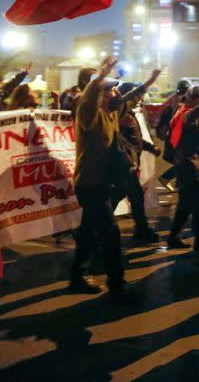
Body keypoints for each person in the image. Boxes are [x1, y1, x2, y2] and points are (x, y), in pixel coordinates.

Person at [69, 56, 160, 303]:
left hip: (102, 183)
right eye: (110, 89)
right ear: (100, 94)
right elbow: (89, 96)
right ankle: (117, 285)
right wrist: (101, 74)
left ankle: (76, 277)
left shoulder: (112, 112)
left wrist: (150, 80)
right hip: (90, 184)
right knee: (111, 233)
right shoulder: (89, 113)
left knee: (88, 232)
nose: (116, 91)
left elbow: (130, 97)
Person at [166, 86, 199, 252]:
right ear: (194, 100)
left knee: (185, 205)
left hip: (193, 164)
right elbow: (190, 117)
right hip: (188, 166)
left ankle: (174, 237)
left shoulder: (193, 112)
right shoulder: (185, 113)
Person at [113, 81, 161, 243]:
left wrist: (150, 147)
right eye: (137, 96)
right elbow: (123, 140)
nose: (140, 99)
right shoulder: (119, 117)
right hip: (123, 165)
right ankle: (141, 230)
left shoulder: (131, 115)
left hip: (130, 163)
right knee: (131, 197)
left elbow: (136, 140)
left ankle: (142, 230)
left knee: (125, 197)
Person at [156, 79, 191, 192]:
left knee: (184, 162)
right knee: (185, 162)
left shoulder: (174, 100)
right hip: (177, 137)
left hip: (175, 137)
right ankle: (167, 178)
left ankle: (177, 182)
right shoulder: (180, 102)